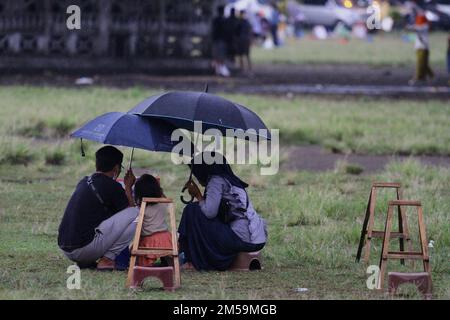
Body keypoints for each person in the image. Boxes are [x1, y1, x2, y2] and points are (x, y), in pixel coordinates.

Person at [178, 152, 267, 271]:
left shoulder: (216, 180)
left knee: (192, 210)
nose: (197, 176)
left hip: (241, 238)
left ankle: (191, 261)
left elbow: (209, 213)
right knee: (196, 210)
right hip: (257, 239)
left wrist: (198, 195)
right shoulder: (231, 181)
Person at [58, 146, 137, 271]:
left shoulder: (84, 181)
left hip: (65, 248)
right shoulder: (113, 186)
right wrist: (128, 187)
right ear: (116, 168)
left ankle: (87, 261)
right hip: (83, 249)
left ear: (97, 165)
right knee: (137, 214)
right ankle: (107, 260)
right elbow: (130, 213)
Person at [133, 174, 172, 267]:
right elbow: (163, 196)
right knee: (171, 261)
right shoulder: (163, 203)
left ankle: (147, 265)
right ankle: (171, 264)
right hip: (166, 238)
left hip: (149, 241)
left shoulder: (142, 208)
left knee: (141, 265)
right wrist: (158, 186)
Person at [408, 9, 434, 85]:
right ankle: (430, 76)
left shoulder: (424, 26)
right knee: (424, 64)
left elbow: (416, 28)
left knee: (420, 64)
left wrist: (409, 27)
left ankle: (418, 77)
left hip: (423, 47)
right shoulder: (422, 26)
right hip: (420, 47)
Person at [211, 5, 230, 77]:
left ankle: (218, 71)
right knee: (220, 56)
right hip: (221, 40)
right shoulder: (223, 20)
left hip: (217, 40)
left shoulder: (216, 20)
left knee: (217, 55)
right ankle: (220, 70)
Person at [235, 10, 253, 74]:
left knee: (244, 55)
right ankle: (245, 68)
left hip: (242, 40)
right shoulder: (245, 22)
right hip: (244, 40)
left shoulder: (241, 22)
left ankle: (245, 69)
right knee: (244, 55)